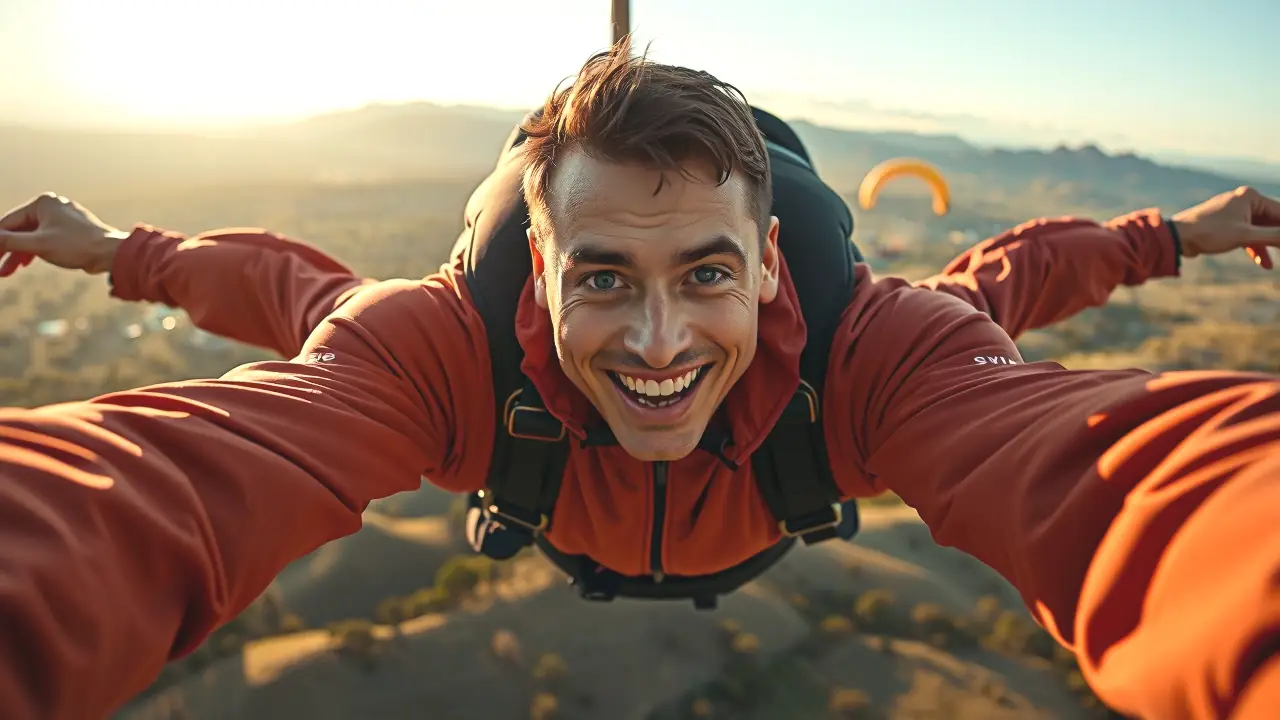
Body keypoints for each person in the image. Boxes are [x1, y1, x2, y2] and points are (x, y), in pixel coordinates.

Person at [0, 43, 1279, 720]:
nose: (660, 344)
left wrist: (1167, 240)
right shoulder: (444, 352)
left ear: (773, 264)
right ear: (540, 264)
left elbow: (1072, 400)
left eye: (706, 274)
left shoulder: (871, 354)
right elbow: (231, 398)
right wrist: (123, 253)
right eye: (603, 277)